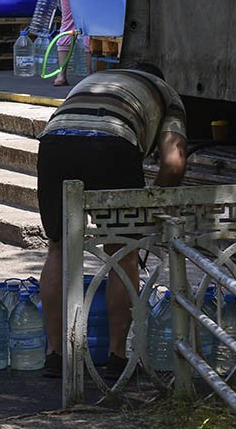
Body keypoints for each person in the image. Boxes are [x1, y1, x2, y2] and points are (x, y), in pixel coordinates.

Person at [36, 63, 188, 378]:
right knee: (122, 252)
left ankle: (55, 354)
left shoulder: (96, 78)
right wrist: (147, 212)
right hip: (112, 143)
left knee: (58, 247)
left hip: (54, 141)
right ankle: (117, 357)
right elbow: (174, 164)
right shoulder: (167, 96)